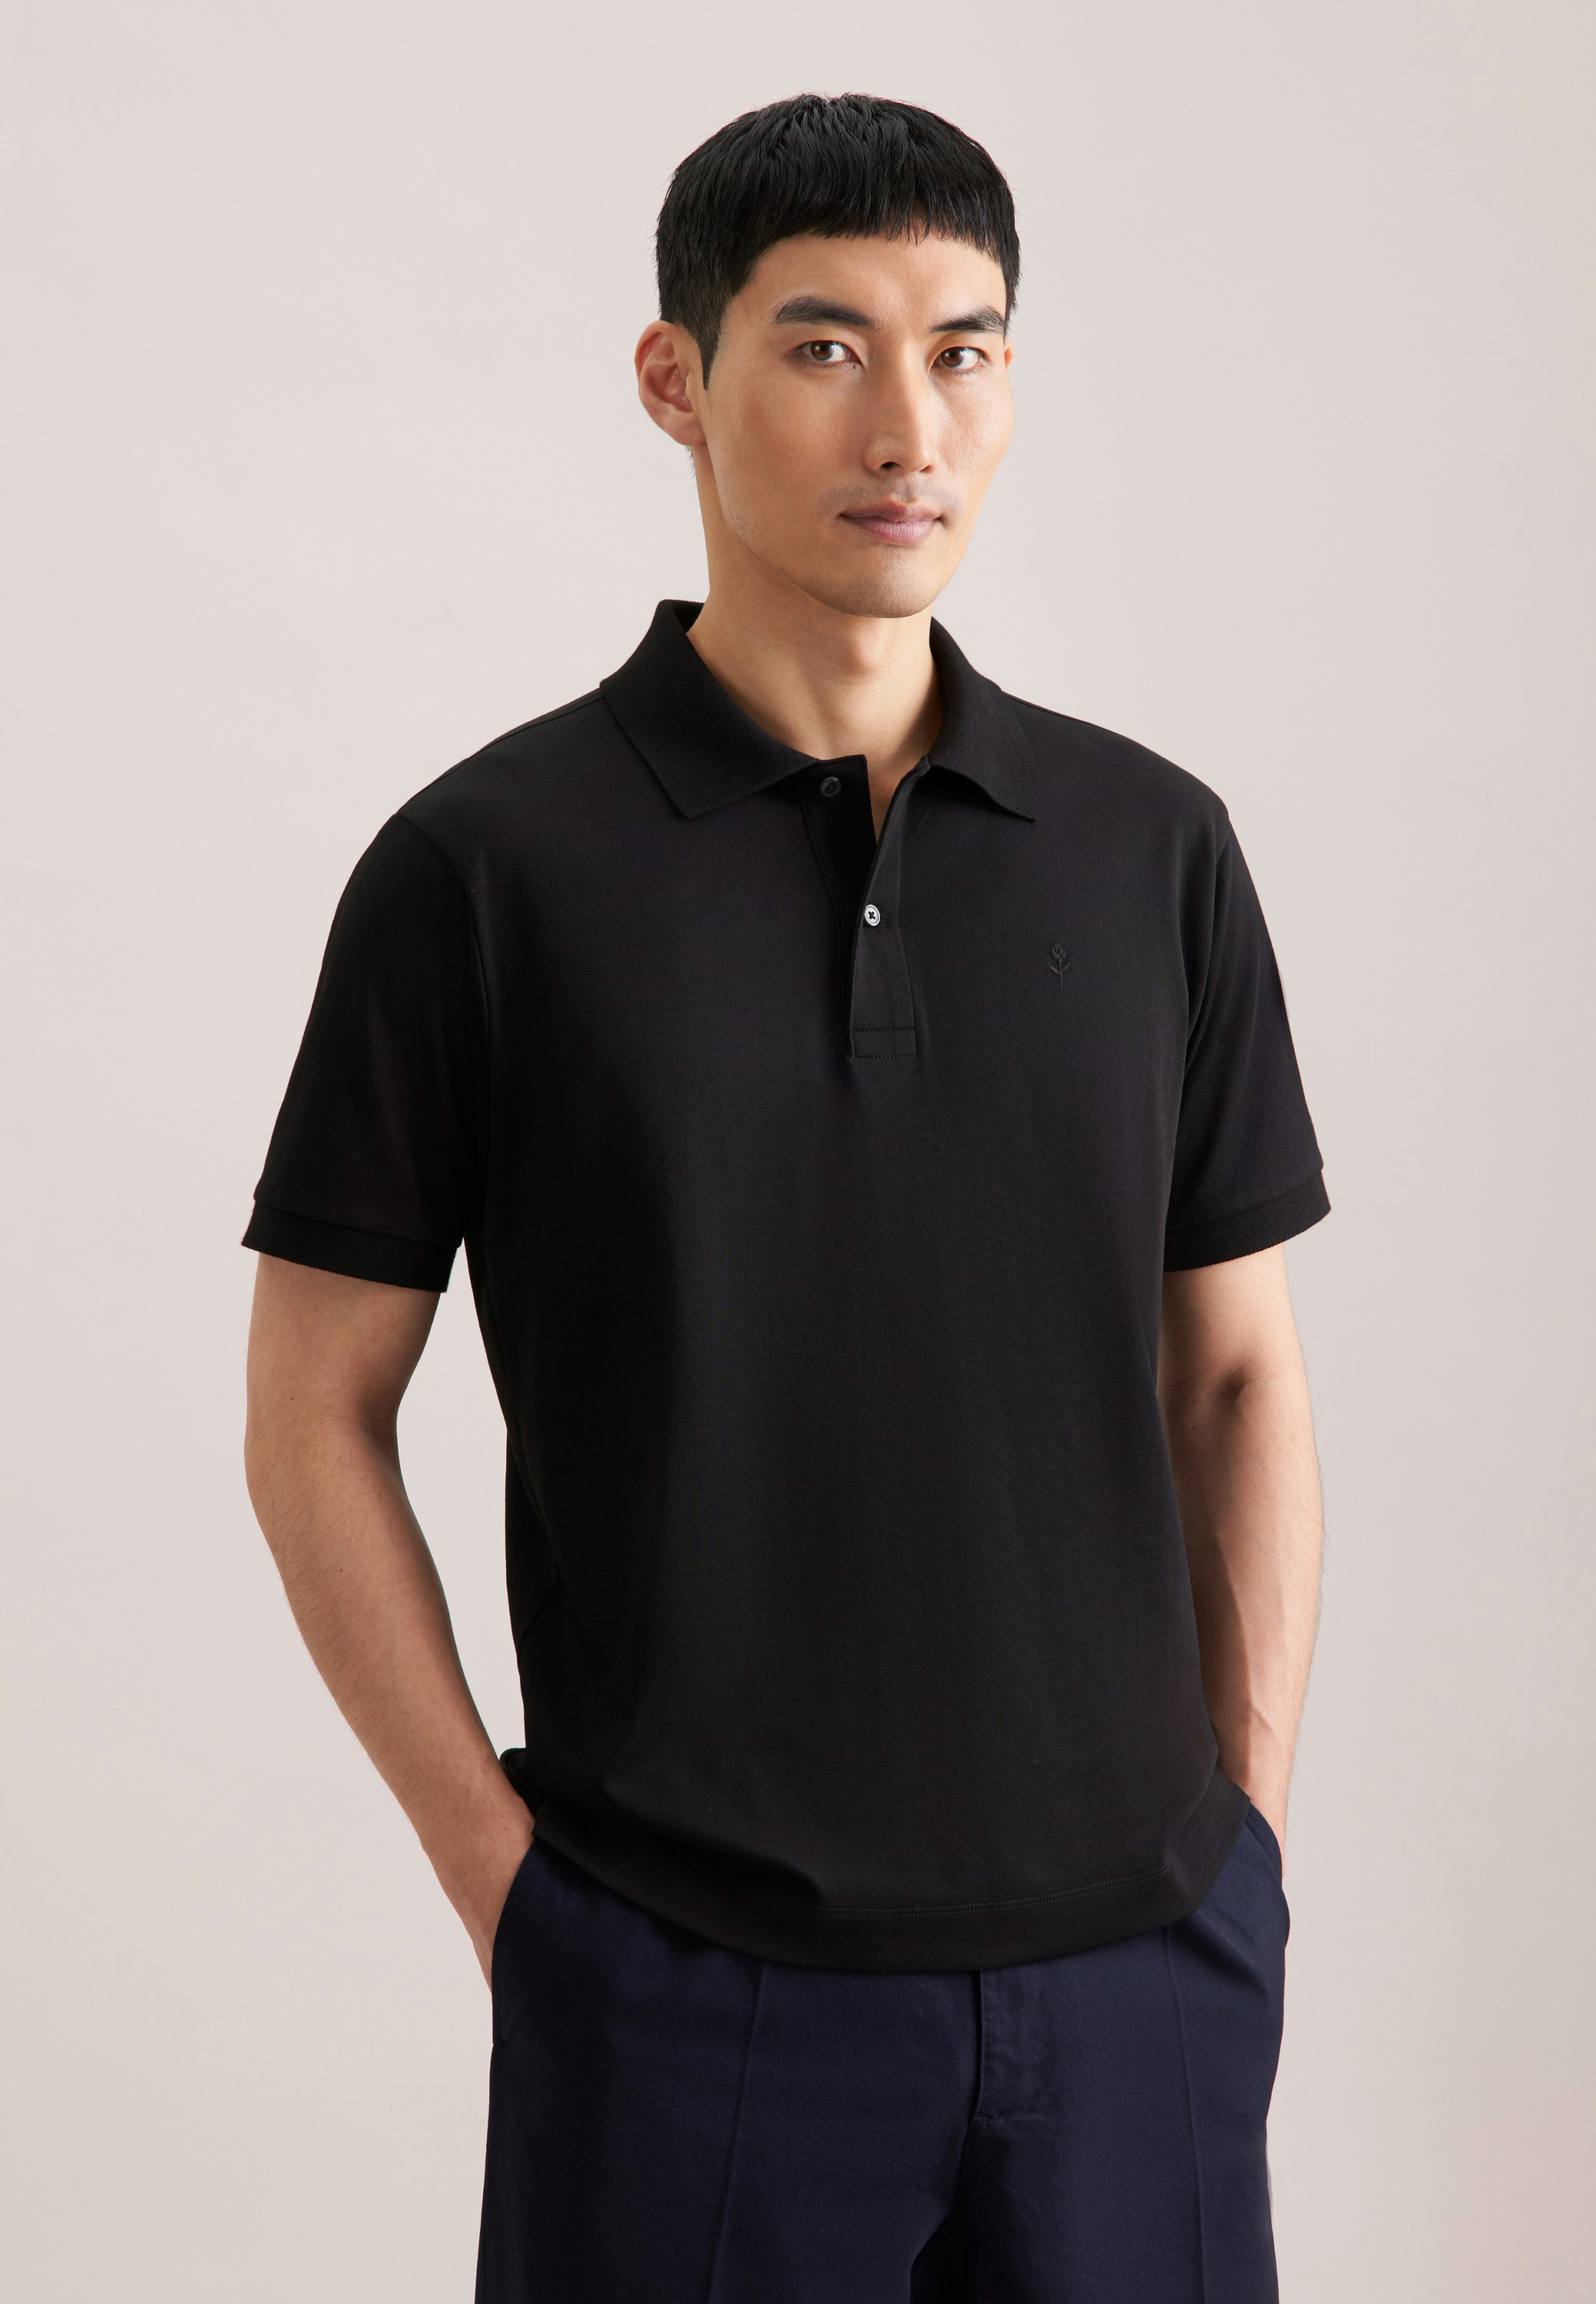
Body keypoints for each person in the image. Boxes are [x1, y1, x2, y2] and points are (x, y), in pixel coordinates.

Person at [243, 91, 1328, 2303]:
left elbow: (1235, 1380)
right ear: (676, 379)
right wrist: (509, 1887)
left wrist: (1246, 1841)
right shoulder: (485, 871)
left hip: (1142, 1992)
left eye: (965, 349)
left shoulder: (1155, 851)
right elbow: (310, 1413)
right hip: (683, 1997)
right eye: (826, 346)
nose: (908, 425)